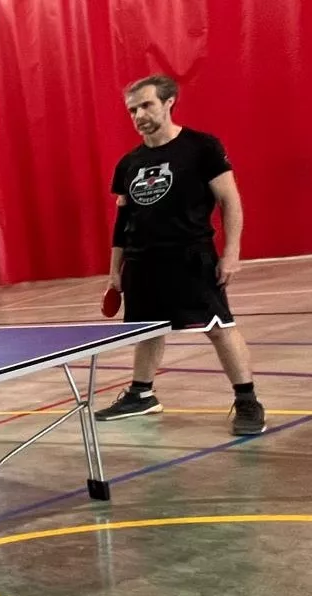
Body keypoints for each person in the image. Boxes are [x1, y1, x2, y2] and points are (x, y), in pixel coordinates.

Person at [97, 74, 265, 435]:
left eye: (146, 105)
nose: (139, 115)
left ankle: (247, 400)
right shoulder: (128, 164)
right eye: (132, 110)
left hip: (190, 257)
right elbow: (122, 222)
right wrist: (114, 271)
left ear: (169, 102)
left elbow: (230, 201)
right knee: (148, 329)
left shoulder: (202, 148)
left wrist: (231, 252)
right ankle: (141, 394)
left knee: (219, 327)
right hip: (141, 263)